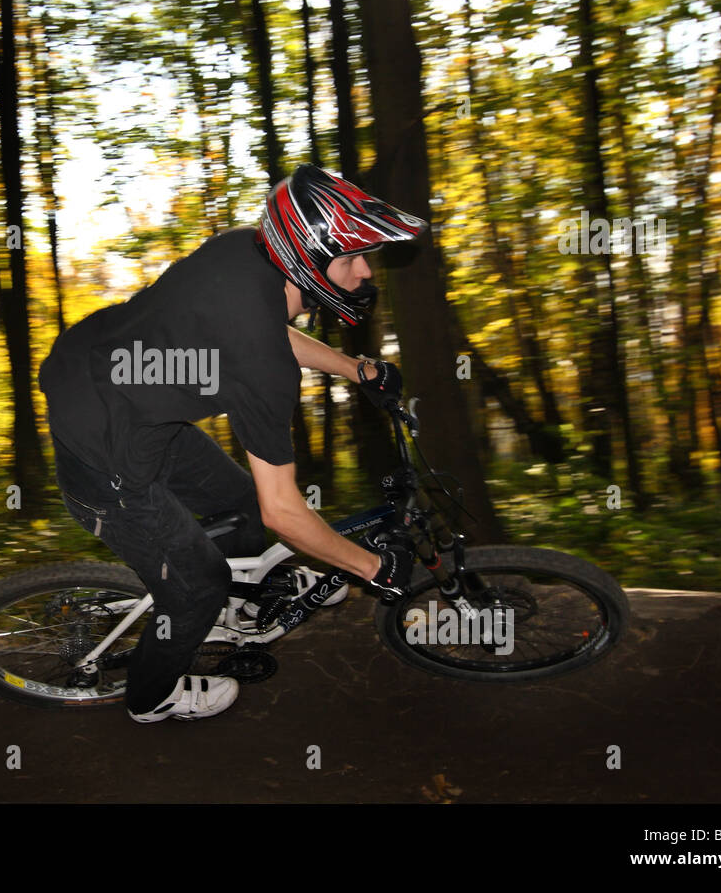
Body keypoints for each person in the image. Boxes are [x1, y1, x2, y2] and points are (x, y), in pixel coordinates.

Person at [38, 164, 429, 723]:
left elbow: (263, 328)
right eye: (350, 259)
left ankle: (244, 605)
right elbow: (284, 513)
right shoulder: (264, 372)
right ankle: (151, 698)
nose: (365, 271)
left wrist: (355, 369)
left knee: (240, 503)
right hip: (102, 454)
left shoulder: (244, 249)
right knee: (198, 589)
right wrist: (371, 568)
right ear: (306, 262)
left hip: (112, 383)